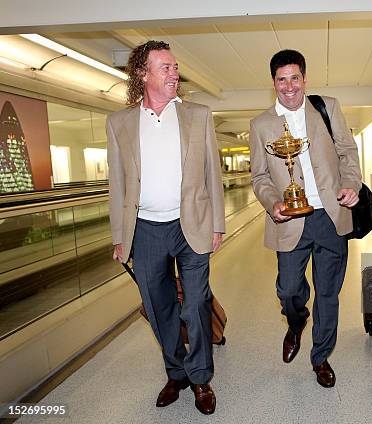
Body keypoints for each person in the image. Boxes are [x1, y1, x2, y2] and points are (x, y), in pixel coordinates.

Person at [107, 40, 225, 415]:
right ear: (143, 74)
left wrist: (217, 225)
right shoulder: (119, 122)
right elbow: (118, 184)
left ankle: (201, 377)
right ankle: (176, 373)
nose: (174, 74)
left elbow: (212, 173)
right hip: (145, 230)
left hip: (190, 223)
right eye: (166, 68)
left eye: (175, 68)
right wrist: (120, 237)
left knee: (195, 304)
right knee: (159, 308)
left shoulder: (198, 115)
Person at [250, 49, 362, 388]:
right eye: (281, 80)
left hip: (330, 216)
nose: (288, 86)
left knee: (328, 293)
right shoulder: (261, 125)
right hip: (289, 221)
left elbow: (347, 152)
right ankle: (296, 323)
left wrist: (351, 184)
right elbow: (259, 177)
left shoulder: (327, 107)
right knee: (289, 289)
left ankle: (321, 357)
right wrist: (272, 204)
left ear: (304, 79)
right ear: (273, 82)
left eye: (294, 78)